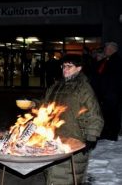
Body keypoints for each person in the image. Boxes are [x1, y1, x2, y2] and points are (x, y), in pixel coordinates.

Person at [22, 54, 104, 185]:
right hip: (53, 137)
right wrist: (33, 104)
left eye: (69, 66)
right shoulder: (56, 85)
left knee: (68, 175)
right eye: (63, 66)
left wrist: (92, 136)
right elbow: (45, 103)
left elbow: (94, 114)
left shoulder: (83, 88)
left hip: (74, 139)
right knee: (53, 173)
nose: (65, 69)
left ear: (79, 68)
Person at [97, 42, 122, 141]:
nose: (105, 50)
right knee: (106, 114)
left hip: (111, 94)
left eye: (106, 48)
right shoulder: (108, 59)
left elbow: (110, 78)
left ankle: (111, 134)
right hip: (107, 93)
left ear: (112, 49)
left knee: (112, 115)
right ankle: (107, 133)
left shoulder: (115, 60)